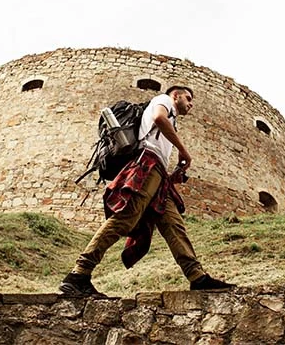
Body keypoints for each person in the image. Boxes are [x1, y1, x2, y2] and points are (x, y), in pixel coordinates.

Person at [59, 85, 235, 297]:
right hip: (147, 166)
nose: (191, 104)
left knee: (174, 225)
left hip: (158, 174)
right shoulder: (164, 101)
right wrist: (184, 151)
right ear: (176, 95)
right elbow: (160, 118)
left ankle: (197, 277)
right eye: (188, 98)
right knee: (125, 218)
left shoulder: (173, 118)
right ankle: (78, 275)